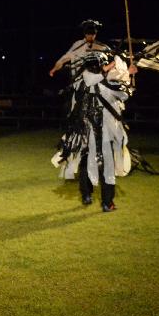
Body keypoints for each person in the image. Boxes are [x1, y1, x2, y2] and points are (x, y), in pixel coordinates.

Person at [52, 51, 137, 211]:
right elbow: (125, 95)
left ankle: (86, 195)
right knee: (107, 165)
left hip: (84, 131)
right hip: (103, 132)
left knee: (86, 161)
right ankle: (107, 202)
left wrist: (126, 74)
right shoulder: (108, 83)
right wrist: (129, 76)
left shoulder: (78, 83)